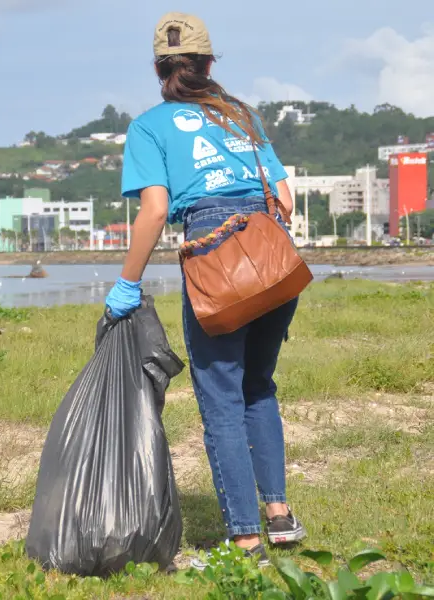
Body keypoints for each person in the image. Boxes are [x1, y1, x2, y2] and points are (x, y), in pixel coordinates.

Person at [105, 12, 306, 566]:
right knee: (258, 387)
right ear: (210, 63)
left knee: (219, 396)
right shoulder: (241, 116)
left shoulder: (149, 126)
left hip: (216, 261)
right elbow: (284, 199)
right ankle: (280, 518)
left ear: (157, 69)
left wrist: (127, 283)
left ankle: (244, 540)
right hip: (273, 262)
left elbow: (155, 210)